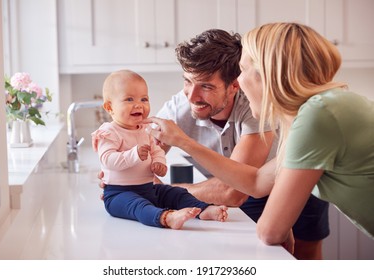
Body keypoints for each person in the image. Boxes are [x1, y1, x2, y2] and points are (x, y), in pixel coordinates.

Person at [99, 29, 330, 259]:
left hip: (296, 182)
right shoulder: (181, 105)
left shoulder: (255, 106)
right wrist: (124, 179)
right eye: (188, 81)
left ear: (234, 85)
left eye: (206, 86)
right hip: (253, 187)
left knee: (305, 258)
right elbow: (143, 151)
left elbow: (233, 192)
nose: (192, 96)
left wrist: (167, 192)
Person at [144, 23, 374, 248]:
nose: (240, 83)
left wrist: (168, 187)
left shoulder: (318, 116)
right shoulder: (319, 109)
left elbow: (269, 231)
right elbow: (257, 181)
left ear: (266, 74)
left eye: (242, 70)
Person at [92, 70, 228, 230]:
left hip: (148, 188)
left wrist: (158, 162)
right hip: (119, 194)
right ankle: (166, 217)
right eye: (129, 99)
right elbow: (108, 160)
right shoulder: (108, 132)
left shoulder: (145, 130)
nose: (139, 104)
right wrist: (134, 154)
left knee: (176, 193)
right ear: (109, 107)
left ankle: (204, 210)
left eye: (144, 99)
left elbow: (157, 150)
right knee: (138, 206)